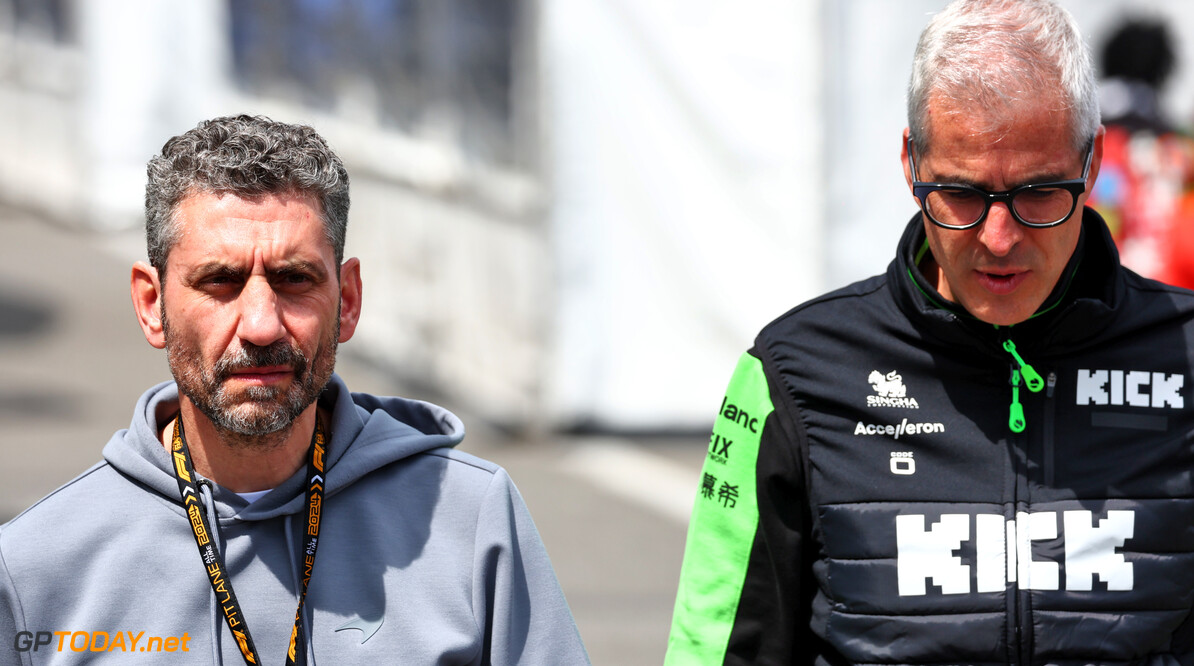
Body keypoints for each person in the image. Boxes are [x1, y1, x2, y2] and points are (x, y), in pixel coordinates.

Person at [666, 0, 1194, 663]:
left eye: (1038, 192)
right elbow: (714, 650)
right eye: (963, 195)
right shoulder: (790, 377)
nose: (998, 238)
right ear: (911, 164)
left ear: (1091, 167)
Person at [0, 115, 589, 665]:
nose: (260, 325)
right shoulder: (36, 568)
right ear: (152, 306)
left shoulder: (471, 519)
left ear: (348, 301)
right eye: (220, 281)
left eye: (294, 279)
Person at [1087, 16, 1194, 290]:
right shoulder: (1180, 153)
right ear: (1163, 73)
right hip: (1176, 304)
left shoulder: (1087, 147)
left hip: (1100, 302)